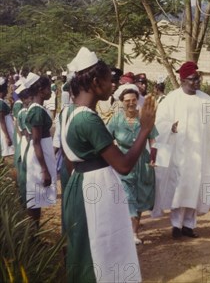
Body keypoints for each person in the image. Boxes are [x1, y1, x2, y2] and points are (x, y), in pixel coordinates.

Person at [62, 47, 156, 282]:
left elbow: (70, 160)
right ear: (95, 82)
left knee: (88, 246)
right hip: (95, 189)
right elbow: (123, 165)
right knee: (100, 249)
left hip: (81, 185)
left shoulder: (69, 112)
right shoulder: (88, 119)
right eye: (108, 80)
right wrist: (145, 129)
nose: (112, 85)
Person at [152, 61, 210, 239]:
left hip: (200, 153)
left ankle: (189, 225)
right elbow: (160, 122)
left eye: (198, 79)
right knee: (180, 188)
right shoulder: (172, 99)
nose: (197, 82)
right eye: (193, 79)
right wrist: (170, 127)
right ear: (182, 79)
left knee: (195, 187)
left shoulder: (206, 99)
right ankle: (176, 225)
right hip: (179, 154)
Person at [107, 86, 158, 245]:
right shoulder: (116, 119)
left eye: (134, 100)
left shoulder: (144, 117)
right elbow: (107, 139)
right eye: (127, 101)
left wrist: (153, 156)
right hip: (123, 162)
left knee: (140, 196)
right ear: (121, 102)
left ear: (138, 101)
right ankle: (127, 232)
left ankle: (134, 232)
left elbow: (153, 139)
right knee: (128, 197)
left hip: (142, 162)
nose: (130, 103)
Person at [24, 73, 57, 224]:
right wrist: (44, 169)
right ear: (41, 90)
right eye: (48, 88)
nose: (50, 92)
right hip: (39, 156)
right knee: (35, 198)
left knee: (36, 198)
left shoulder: (37, 108)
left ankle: (34, 235)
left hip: (41, 153)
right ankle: (32, 237)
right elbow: (36, 141)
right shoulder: (37, 111)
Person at [0, 77, 15, 160]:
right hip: (5, 132)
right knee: (8, 154)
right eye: (6, 88)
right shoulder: (1, 103)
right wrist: (7, 136)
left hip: (7, 131)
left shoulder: (2, 101)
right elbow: (2, 121)